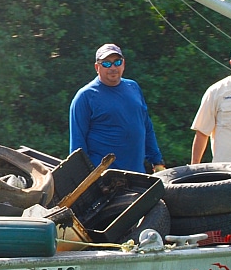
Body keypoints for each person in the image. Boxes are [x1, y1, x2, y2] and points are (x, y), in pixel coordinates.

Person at [69, 44, 165, 173]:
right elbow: (77, 144)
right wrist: (82, 178)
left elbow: (146, 127)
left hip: (137, 174)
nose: (113, 67)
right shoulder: (85, 96)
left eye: (117, 62)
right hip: (104, 179)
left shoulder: (133, 87)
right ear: (97, 67)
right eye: (107, 64)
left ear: (123, 64)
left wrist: (157, 161)